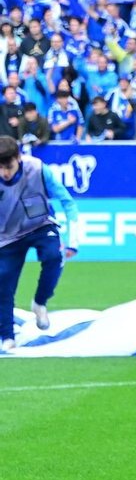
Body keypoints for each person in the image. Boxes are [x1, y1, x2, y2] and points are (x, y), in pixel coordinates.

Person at [0, 136, 77, 351]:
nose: (5, 172)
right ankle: (6, 337)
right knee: (3, 284)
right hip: (7, 237)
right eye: (0, 167)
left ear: (19, 157)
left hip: (40, 225)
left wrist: (74, 239)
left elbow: (67, 202)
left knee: (53, 255)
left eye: (9, 166)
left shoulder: (38, 169)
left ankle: (40, 302)